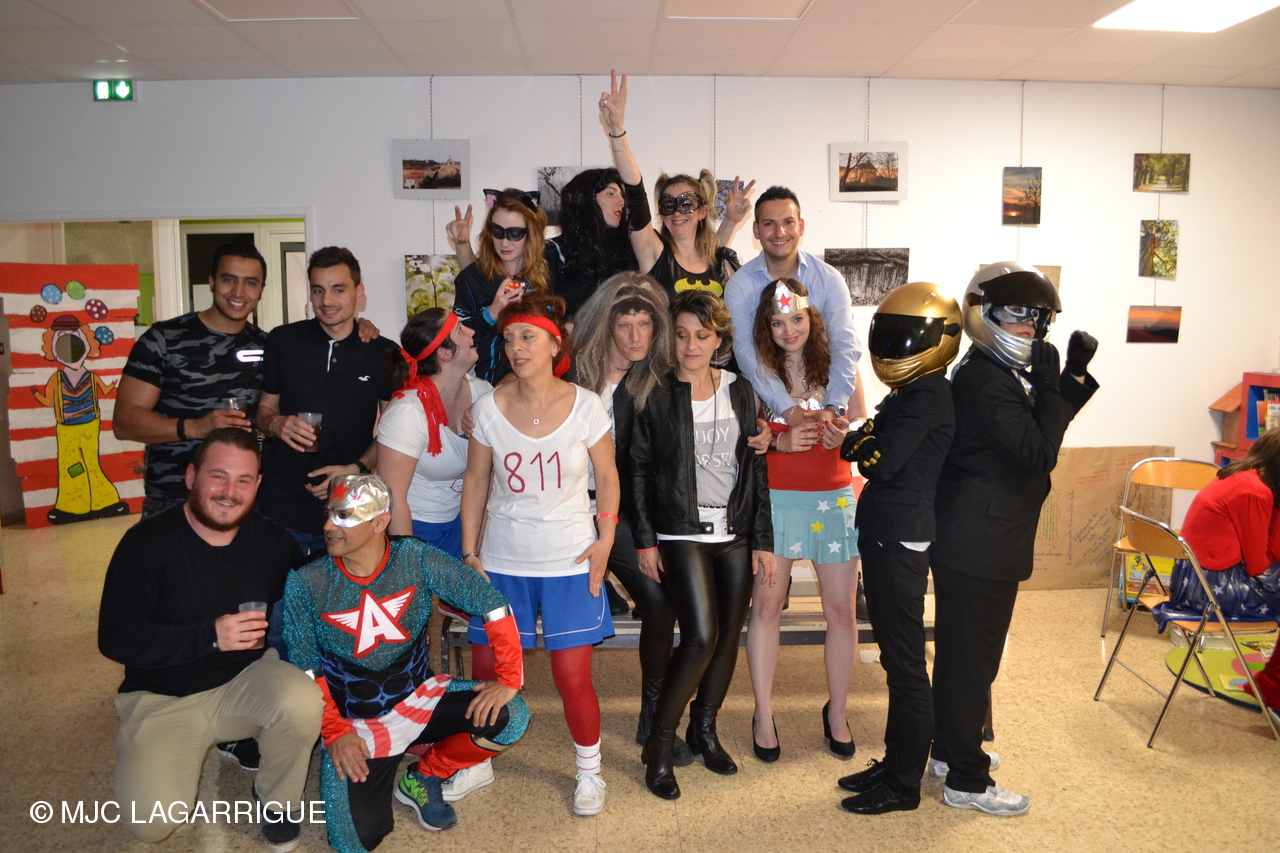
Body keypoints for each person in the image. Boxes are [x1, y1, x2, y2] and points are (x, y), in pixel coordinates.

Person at [98, 428, 321, 850]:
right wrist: (211, 636)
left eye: (243, 480)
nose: (229, 492)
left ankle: (276, 800)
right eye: (218, 476)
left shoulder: (273, 541)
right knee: (151, 824)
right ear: (191, 476)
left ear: (257, 485)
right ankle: (143, 746)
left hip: (243, 680)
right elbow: (116, 638)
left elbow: (310, 598)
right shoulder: (145, 543)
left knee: (302, 701)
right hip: (162, 696)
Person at [930, 261, 1098, 817]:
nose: (1029, 328)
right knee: (973, 662)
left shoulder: (989, 372)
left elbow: (1037, 431)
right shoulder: (987, 382)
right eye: (1017, 316)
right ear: (987, 316)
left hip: (975, 537)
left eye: (1036, 319)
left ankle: (947, 751)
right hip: (979, 542)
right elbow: (1038, 452)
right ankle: (967, 779)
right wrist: (1050, 385)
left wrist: (1070, 377)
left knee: (961, 656)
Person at [283, 474, 528, 851]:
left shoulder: (416, 557)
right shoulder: (306, 580)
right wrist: (334, 733)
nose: (328, 525)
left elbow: (491, 603)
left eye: (344, 515)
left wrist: (509, 677)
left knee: (512, 715)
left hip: (420, 700)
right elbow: (305, 668)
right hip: (355, 725)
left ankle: (426, 775)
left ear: (380, 522)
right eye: (329, 513)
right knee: (353, 842)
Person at [459, 292, 619, 816]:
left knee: (572, 677)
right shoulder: (488, 408)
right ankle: (477, 758)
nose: (516, 347)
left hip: (569, 561)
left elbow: (608, 478)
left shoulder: (586, 405)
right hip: (502, 561)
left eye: (527, 336)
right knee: (489, 673)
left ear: (555, 344)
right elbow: (476, 482)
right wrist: (469, 551)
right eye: (508, 339)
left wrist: (605, 539)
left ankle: (590, 772)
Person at [631, 291, 774, 800]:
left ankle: (704, 729)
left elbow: (755, 468)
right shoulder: (654, 392)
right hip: (680, 532)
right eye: (682, 335)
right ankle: (659, 743)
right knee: (700, 637)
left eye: (702, 335)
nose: (691, 346)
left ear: (719, 341)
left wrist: (762, 539)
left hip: (734, 533)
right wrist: (645, 541)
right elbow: (638, 470)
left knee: (727, 639)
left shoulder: (740, 390)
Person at [833, 281, 962, 815]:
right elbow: (861, 444)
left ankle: (904, 784)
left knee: (906, 667)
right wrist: (864, 440)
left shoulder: (927, 394)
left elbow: (877, 460)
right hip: (889, 533)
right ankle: (893, 764)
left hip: (899, 539)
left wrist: (864, 441)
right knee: (896, 661)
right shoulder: (912, 392)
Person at [569, 271, 698, 760]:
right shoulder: (571, 373)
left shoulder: (656, 381)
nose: (637, 336)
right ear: (605, 326)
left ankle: (653, 718)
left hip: (617, 511)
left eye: (645, 324)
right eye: (625, 325)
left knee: (660, 603)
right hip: (563, 509)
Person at [744, 279, 860, 763]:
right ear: (764, 326)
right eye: (777, 321)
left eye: (796, 318)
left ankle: (838, 712)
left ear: (812, 318)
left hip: (834, 501)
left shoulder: (840, 368)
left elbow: (861, 426)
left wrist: (843, 437)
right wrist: (778, 442)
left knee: (842, 613)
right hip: (777, 504)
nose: (789, 330)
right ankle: (763, 714)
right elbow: (741, 444)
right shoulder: (755, 374)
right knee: (767, 609)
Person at [257, 246, 398, 556]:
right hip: (281, 507)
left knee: (342, 590)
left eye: (338, 289)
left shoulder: (384, 352)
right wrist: (276, 423)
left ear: (359, 292)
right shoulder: (283, 340)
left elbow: (392, 435)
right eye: (318, 290)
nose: (326, 301)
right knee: (280, 589)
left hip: (349, 511)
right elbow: (264, 411)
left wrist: (355, 468)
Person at [114, 241, 269, 517]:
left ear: (261, 290)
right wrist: (195, 427)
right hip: (174, 499)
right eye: (229, 279)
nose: (238, 292)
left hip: (243, 503)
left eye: (250, 283)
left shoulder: (268, 347)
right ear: (211, 282)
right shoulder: (163, 339)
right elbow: (124, 422)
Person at [599, 71, 754, 302]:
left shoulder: (718, 260)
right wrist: (616, 129)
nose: (677, 212)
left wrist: (731, 221)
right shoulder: (654, 254)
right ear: (661, 212)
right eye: (668, 205)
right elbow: (635, 192)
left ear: (702, 211)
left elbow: (715, 250)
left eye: (686, 203)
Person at [724, 186, 865, 429]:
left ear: (801, 226)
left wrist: (834, 408)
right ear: (756, 230)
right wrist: (788, 410)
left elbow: (844, 345)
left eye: (788, 222)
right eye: (769, 223)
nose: (779, 232)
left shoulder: (828, 279)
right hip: (766, 413)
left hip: (829, 411)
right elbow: (747, 355)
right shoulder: (739, 287)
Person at [376, 308, 488, 558]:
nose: (471, 332)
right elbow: (394, 500)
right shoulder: (407, 411)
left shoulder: (483, 394)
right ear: (445, 353)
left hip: (465, 524)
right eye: (461, 329)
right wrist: (409, 565)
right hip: (416, 530)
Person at [1151, 427, 1280, 629]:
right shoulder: (1255, 492)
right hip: (1213, 589)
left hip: (1190, 580)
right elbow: (1258, 565)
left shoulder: (1240, 475)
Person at [453, 189, 550, 385]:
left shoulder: (550, 271)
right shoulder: (471, 278)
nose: (504, 243)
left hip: (542, 386)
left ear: (530, 233)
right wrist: (491, 313)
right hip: (488, 387)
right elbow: (456, 340)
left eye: (514, 234)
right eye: (498, 232)